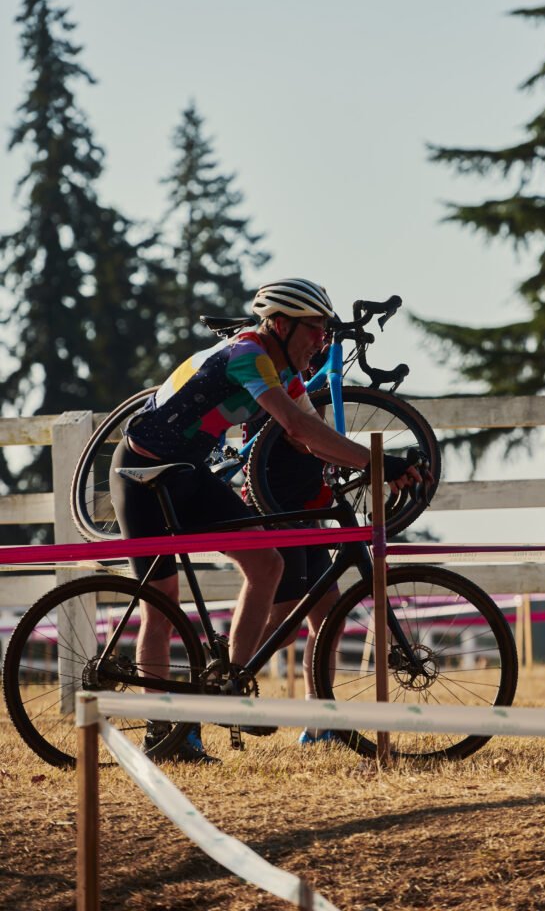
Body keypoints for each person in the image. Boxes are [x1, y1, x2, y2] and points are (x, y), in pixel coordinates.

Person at [110, 278, 426, 762]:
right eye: (314, 328)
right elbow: (297, 425)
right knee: (162, 602)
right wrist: (378, 462)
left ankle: (229, 688)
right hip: (141, 473)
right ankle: (161, 734)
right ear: (280, 325)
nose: (322, 339)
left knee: (267, 563)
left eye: (324, 329)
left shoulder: (283, 371)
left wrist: (375, 465)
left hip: (187, 472)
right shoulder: (248, 355)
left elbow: (306, 436)